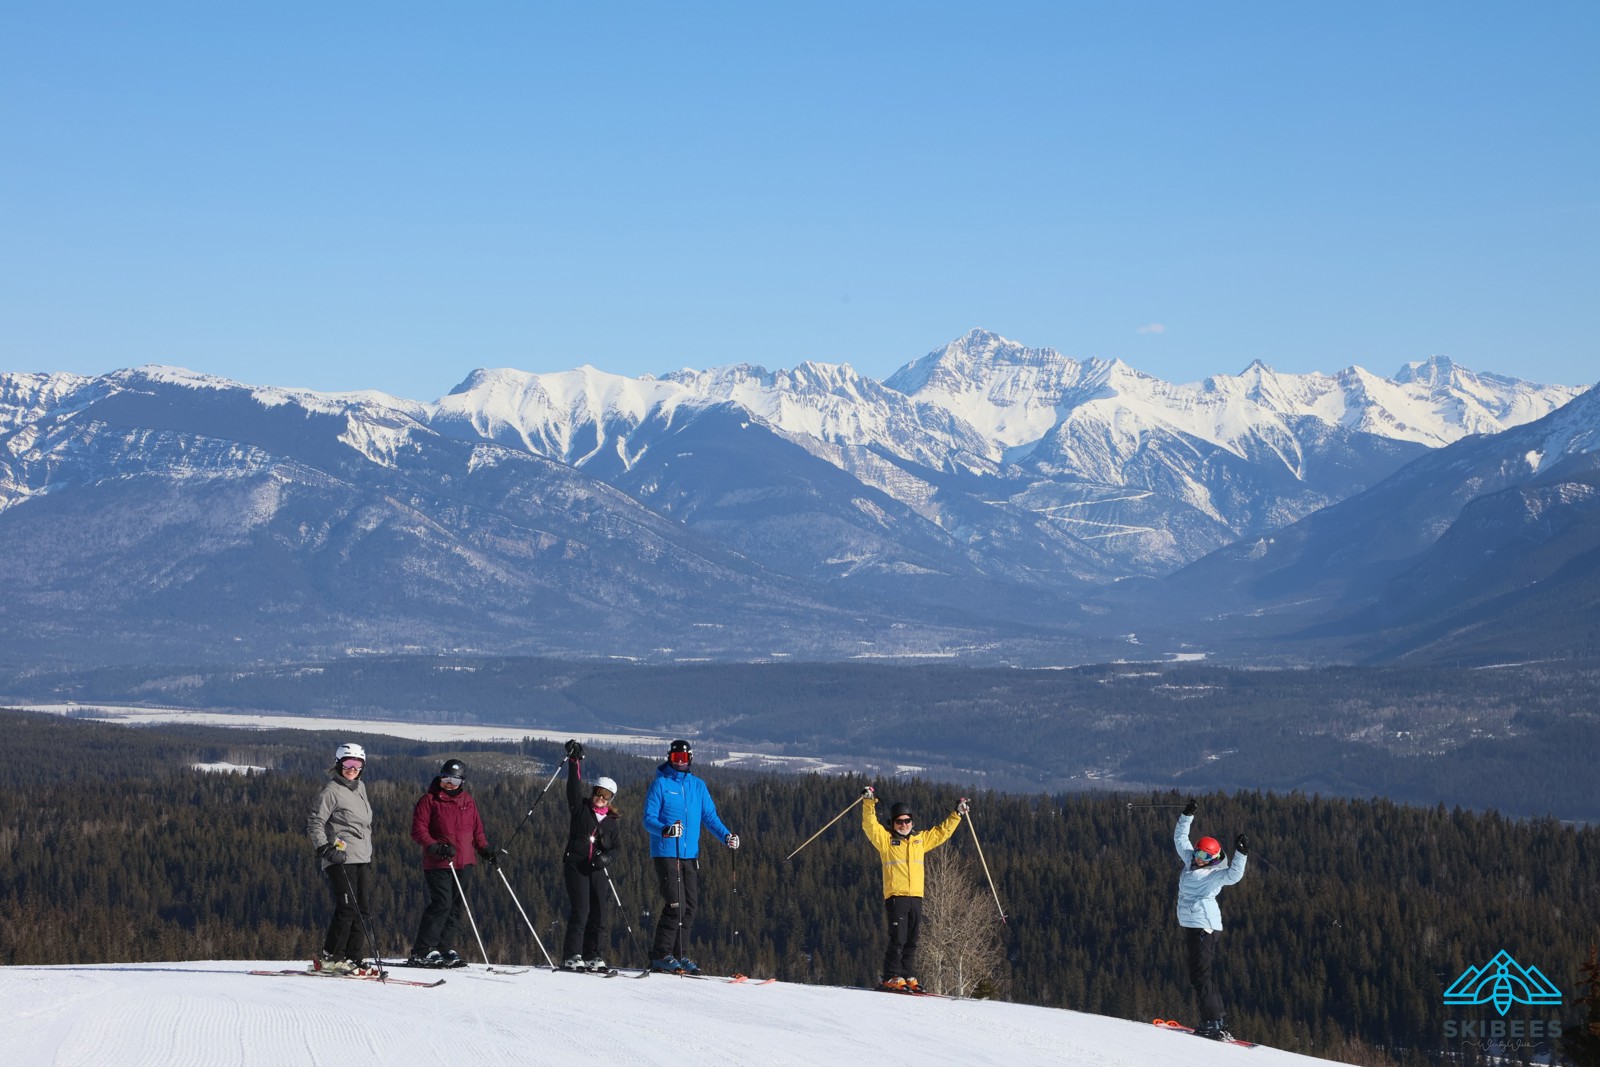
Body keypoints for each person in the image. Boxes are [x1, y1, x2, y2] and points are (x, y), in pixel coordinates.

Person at [641, 739, 739, 974]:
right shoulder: (661, 785)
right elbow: (648, 819)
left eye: (684, 759)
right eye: (676, 759)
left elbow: (710, 818)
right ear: (669, 759)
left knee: (690, 908)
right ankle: (661, 954)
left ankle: (679, 954)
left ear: (691, 759)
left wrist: (727, 837)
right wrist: (666, 829)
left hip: (690, 855)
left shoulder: (697, 786)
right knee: (675, 905)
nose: (680, 763)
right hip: (666, 852)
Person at [860, 786, 967, 993]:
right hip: (896, 896)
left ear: (912, 822)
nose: (904, 825)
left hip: (916, 896)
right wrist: (868, 802)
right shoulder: (886, 841)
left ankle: (907, 974)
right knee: (898, 937)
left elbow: (941, 832)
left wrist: (958, 814)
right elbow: (870, 825)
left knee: (912, 938)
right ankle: (891, 976)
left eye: (907, 821)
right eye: (899, 821)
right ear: (893, 823)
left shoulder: (920, 840)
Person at [406, 758, 500, 968]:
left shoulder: (468, 801)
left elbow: (477, 831)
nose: (449, 784)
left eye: (455, 780)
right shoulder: (429, 801)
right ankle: (422, 950)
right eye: (446, 778)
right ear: (440, 777)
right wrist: (434, 846)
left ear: (462, 782)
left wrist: (485, 850)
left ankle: (444, 947)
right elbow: (418, 831)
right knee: (442, 904)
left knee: (457, 907)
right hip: (439, 862)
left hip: (465, 862)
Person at [1174, 798, 1249, 1041]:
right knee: (1199, 974)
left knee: (1201, 975)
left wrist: (1241, 853)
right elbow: (1180, 840)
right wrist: (1187, 816)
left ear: (1212, 858)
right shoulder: (1191, 862)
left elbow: (1234, 875)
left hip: (1203, 927)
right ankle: (1215, 1020)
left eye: (1204, 856)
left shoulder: (1214, 875)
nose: (1197, 858)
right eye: (1197, 852)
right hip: (1194, 926)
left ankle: (1214, 1022)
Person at [307, 742, 378, 975]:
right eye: (347, 763)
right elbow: (315, 822)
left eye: (357, 764)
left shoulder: (360, 788)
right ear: (338, 764)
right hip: (339, 858)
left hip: (362, 856)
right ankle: (332, 956)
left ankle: (353, 957)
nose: (352, 768)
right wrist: (325, 849)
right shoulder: (331, 791)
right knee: (347, 907)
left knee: (362, 909)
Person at [559, 739, 622, 972]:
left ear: (611, 799)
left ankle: (593, 954)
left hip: (597, 868)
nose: (600, 798)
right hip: (576, 865)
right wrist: (575, 761)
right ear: (593, 791)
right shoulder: (580, 808)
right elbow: (573, 786)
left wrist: (607, 858)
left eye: (606, 796)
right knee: (582, 910)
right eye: (598, 793)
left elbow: (617, 848)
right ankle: (572, 955)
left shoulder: (612, 822)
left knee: (600, 914)